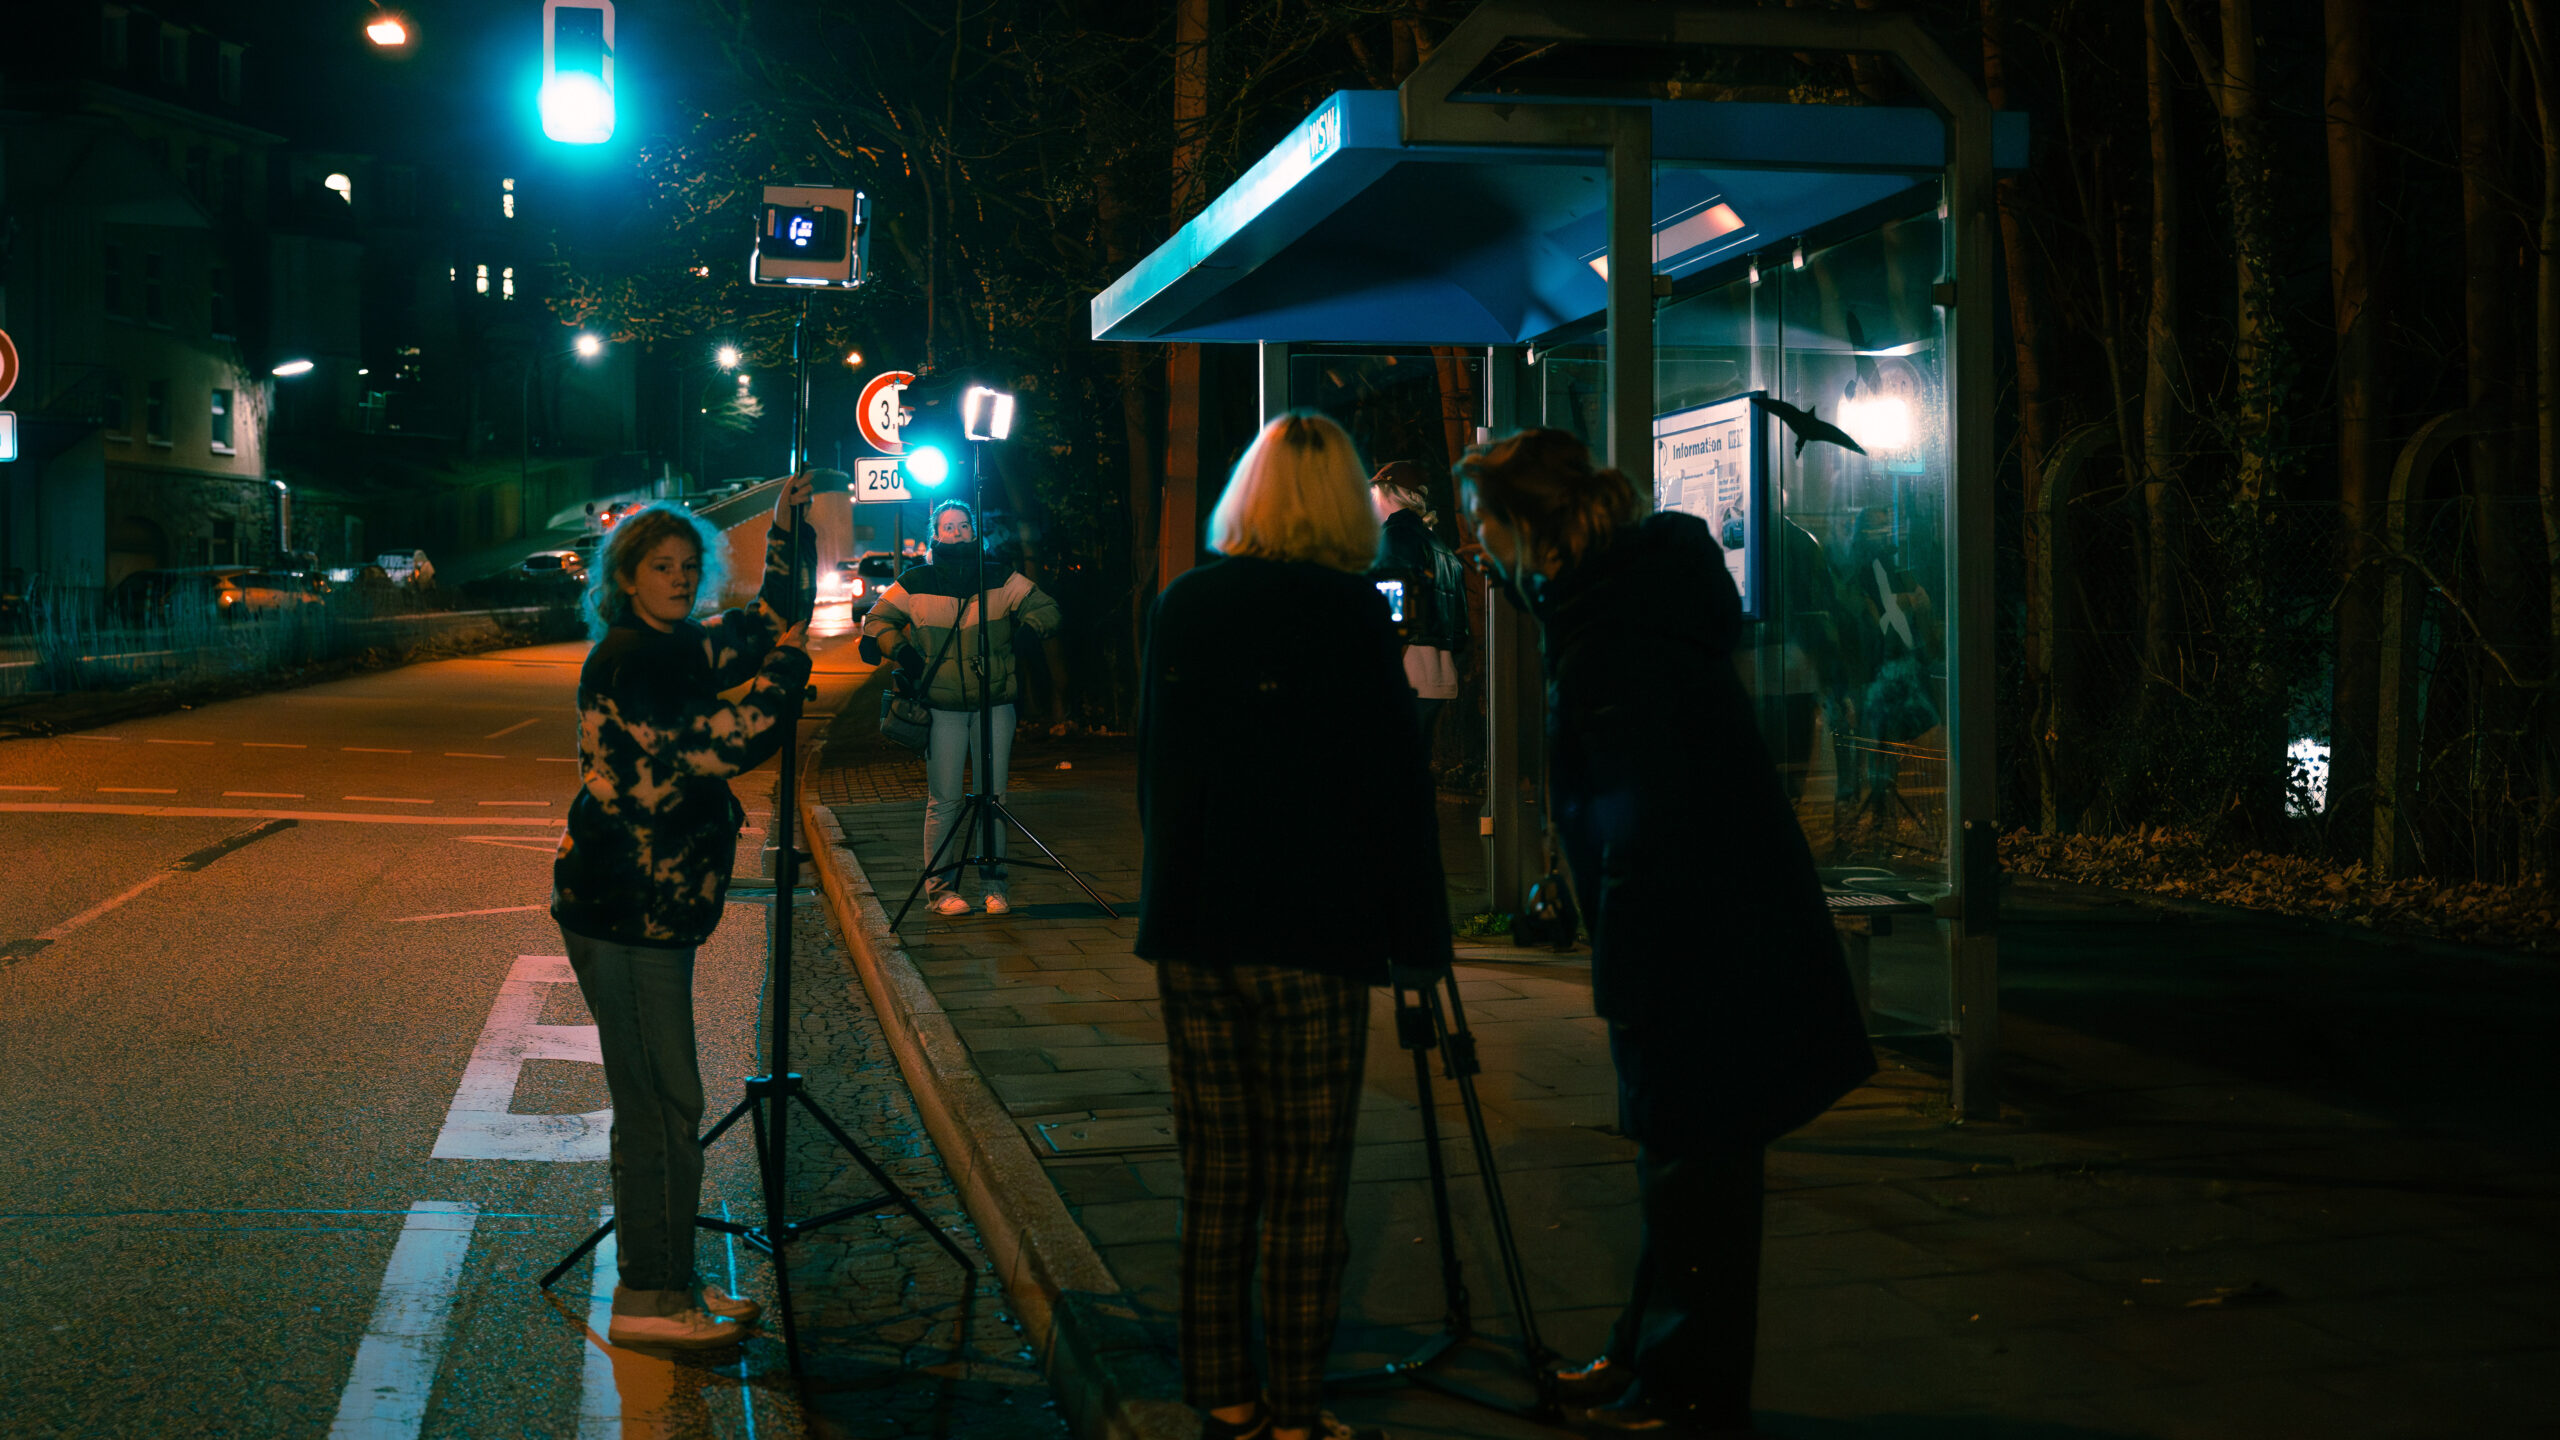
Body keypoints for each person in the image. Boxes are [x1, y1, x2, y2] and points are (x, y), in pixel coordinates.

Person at [1455, 430, 1873, 1439]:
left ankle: (1686, 1391)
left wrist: (1623, 956)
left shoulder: (1612, 635)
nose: (1477, 549)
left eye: (1484, 527)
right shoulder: (1625, 604)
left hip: (1691, 942)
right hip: (1710, 928)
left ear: (1528, 526)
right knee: (1680, 1158)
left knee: (1696, 1168)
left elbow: (1647, 814)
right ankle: (1647, 1355)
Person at [1139, 412, 1449, 1440]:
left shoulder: (1186, 603)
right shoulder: (1349, 612)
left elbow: (1156, 769)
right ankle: (1295, 1407)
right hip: (1309, 926)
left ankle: (1221, 1388)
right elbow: (1391, 787)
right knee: (1308, 1181)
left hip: (1195, 924)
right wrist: (1418, 936)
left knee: (1219, 1172)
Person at [550, 473, 817, 1349]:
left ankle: (672, 1282)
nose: (676, 576)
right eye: (659, 565)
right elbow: (722, 745)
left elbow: (765, 620)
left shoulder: (677, 646)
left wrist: (788, 530)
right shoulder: (633, 658)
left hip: (656, 912)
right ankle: (649, 1301)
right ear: (626, 577)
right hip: (626, 912)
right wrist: (786, 675)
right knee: (665, 1106)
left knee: (661, 1105)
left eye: (687, 565)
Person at [859, 499, 1061, 917]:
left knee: (994, 797)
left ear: (974, 532)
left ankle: (995, 887)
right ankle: (941, 890)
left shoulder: (1000, 578)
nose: (956, 532)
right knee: (945, 800)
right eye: (948, 526)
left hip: (995, 706)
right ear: (935, 534)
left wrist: (1026, 635)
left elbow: (1046, 609)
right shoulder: (915, 581)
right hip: (943, 707)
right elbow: (875, 621)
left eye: (963, 525)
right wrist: (901, 652)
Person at [1366, 461, 1471, 745]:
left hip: (1405, 676)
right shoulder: (1442, 547)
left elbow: (1393, 616)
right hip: (1439, 678)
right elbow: (1460, 628)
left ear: (1387, 492)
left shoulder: (1395, 538)